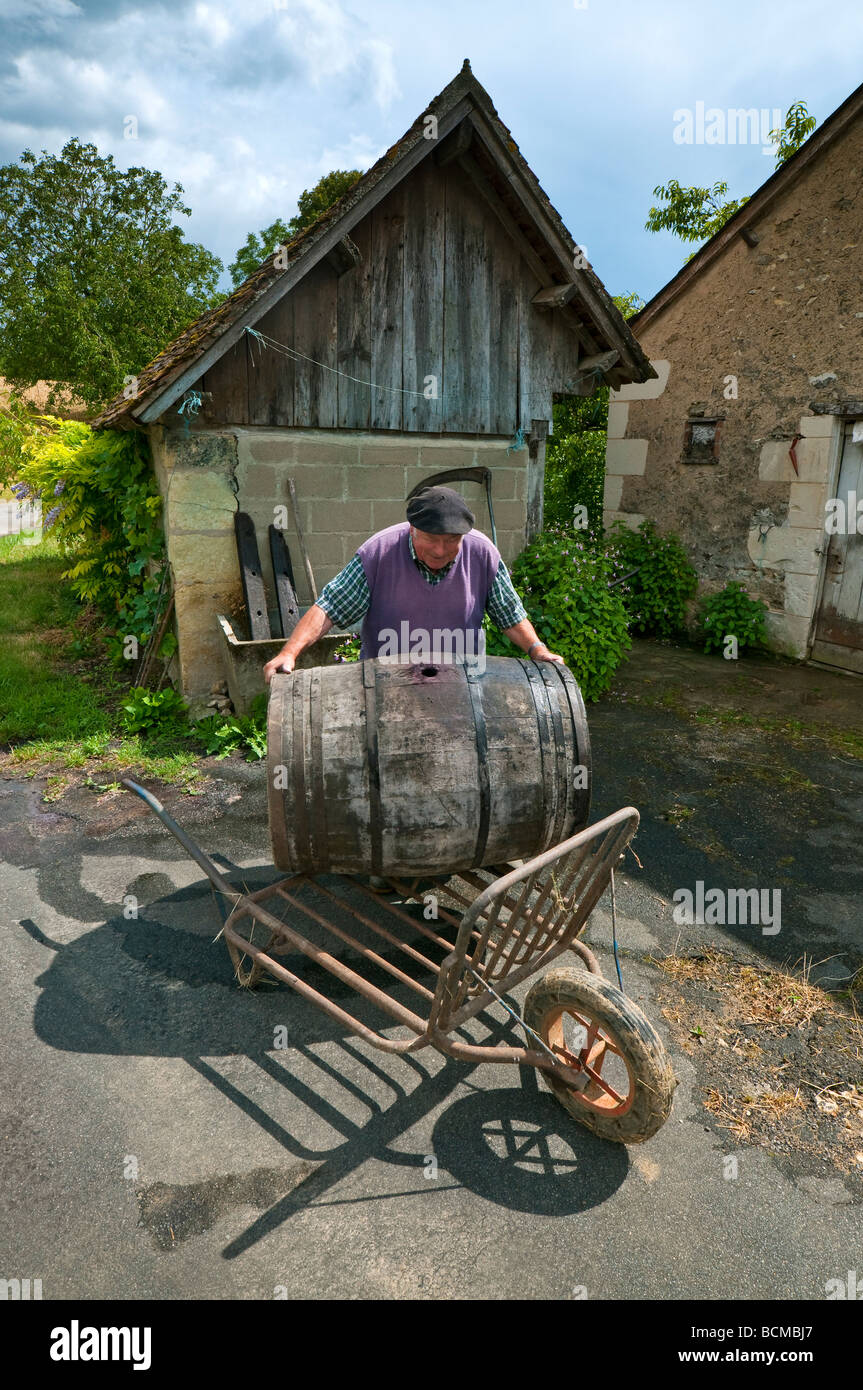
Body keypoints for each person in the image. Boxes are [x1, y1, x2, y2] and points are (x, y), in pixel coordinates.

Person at [263, 485, 563, 681]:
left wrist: (537, 648)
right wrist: (289, 653)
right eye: (432, 539)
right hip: (386, 685)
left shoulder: (482, 553)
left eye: (452, 541)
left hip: (461, 685)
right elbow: (330, 608)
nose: (440, 550)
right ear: (412, 531)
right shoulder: (378, 553)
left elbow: (509, 615)